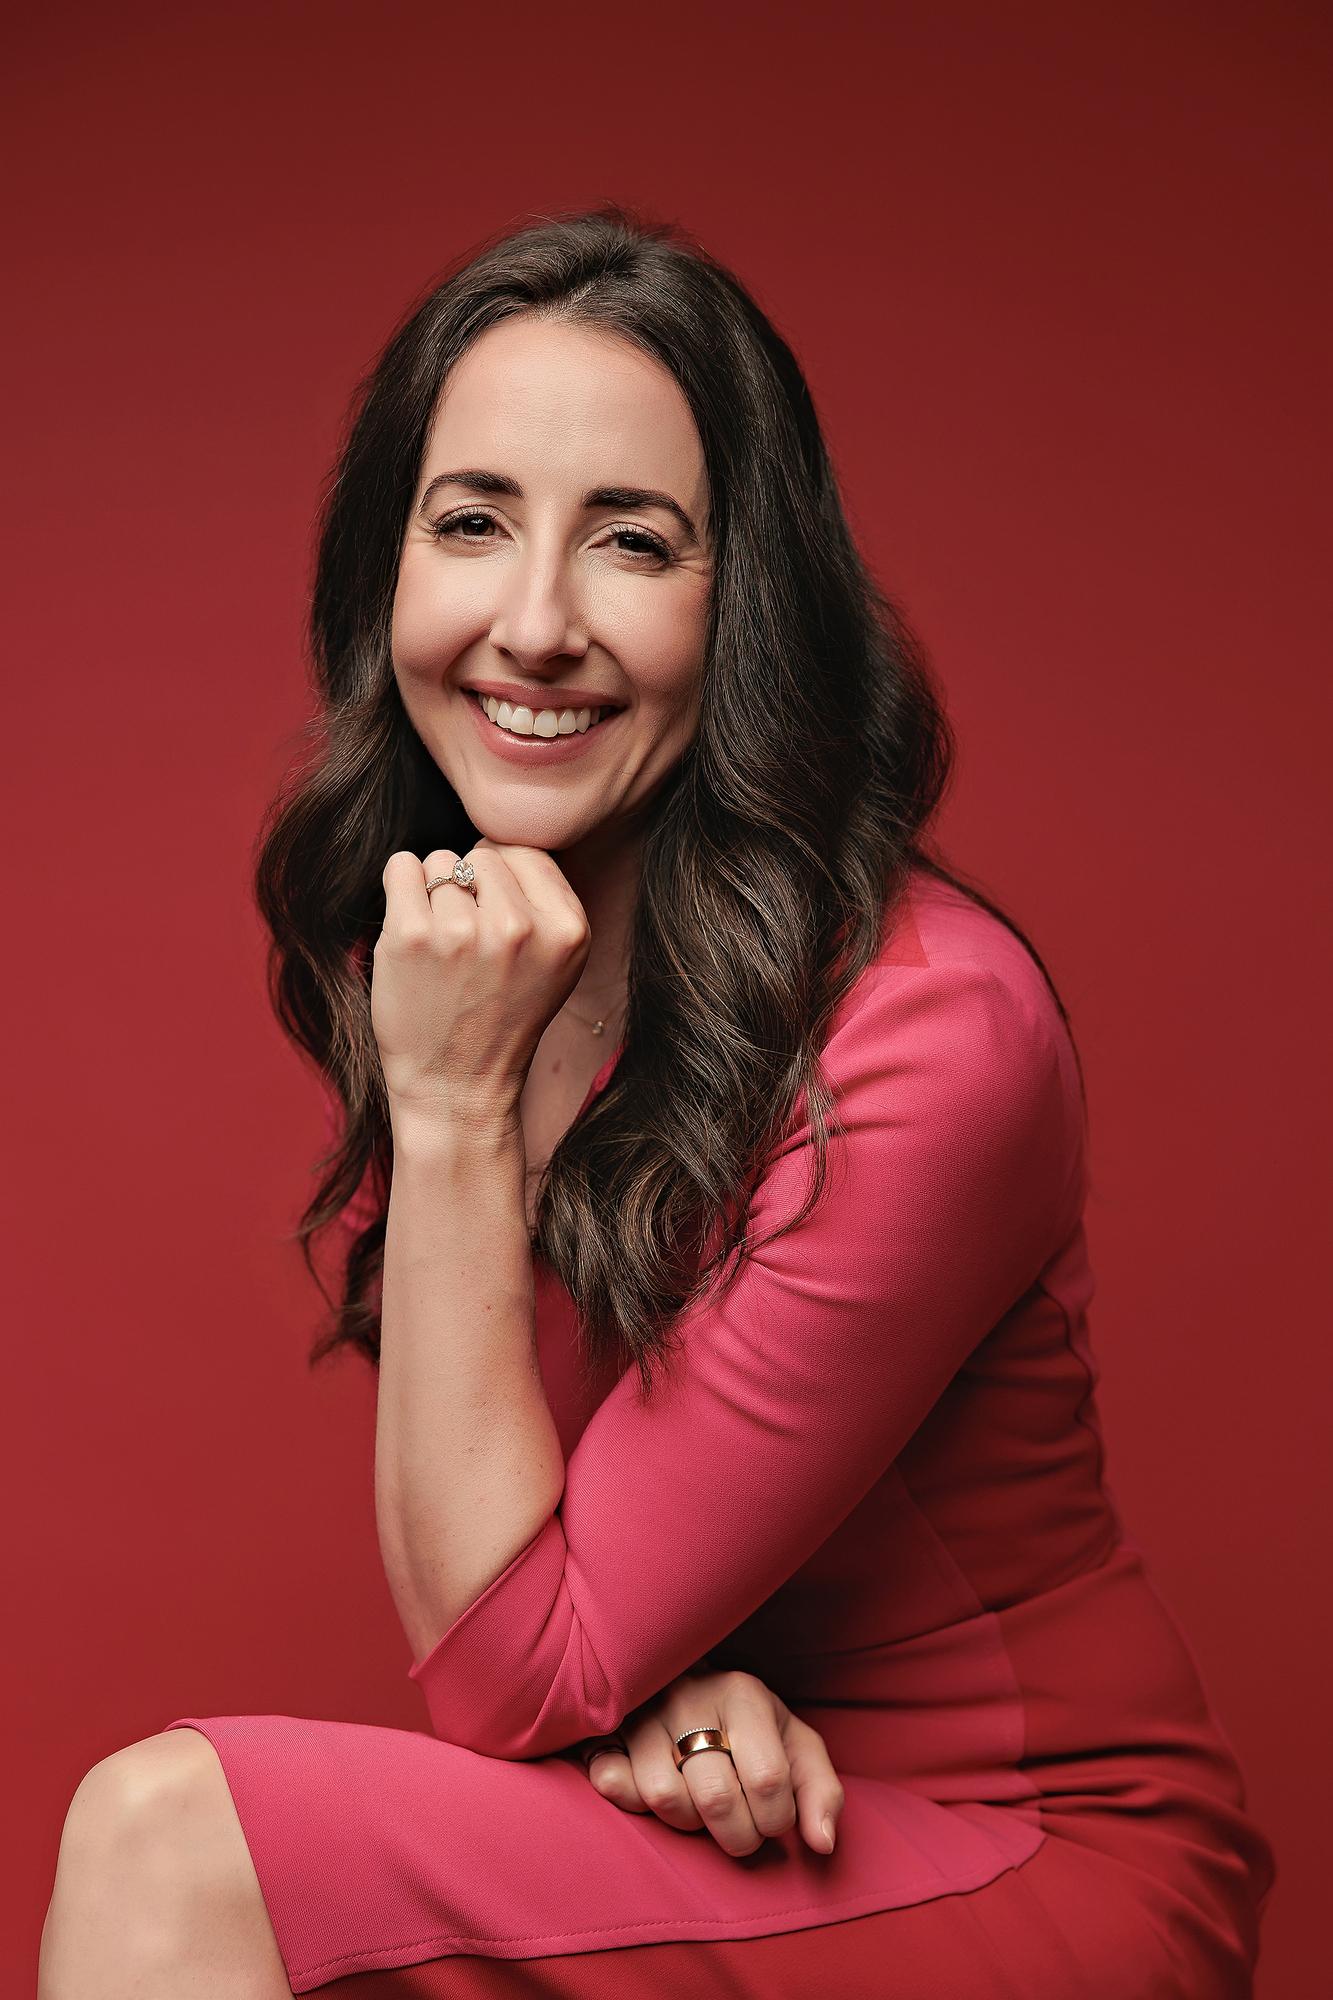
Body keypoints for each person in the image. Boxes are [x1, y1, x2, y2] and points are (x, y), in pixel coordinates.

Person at [40, 205, 1276, 1998]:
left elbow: (500, 1659)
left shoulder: (929, 1035)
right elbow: (550, 1609)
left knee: (169, 1844)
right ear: (383, 573)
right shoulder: (481, 954)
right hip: (742, 1810)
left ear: (746, 604)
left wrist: (450, 1112)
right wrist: (655, 1690)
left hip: (1036, 1857)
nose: (533, 626)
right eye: (471, 524)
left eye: (633, 542)